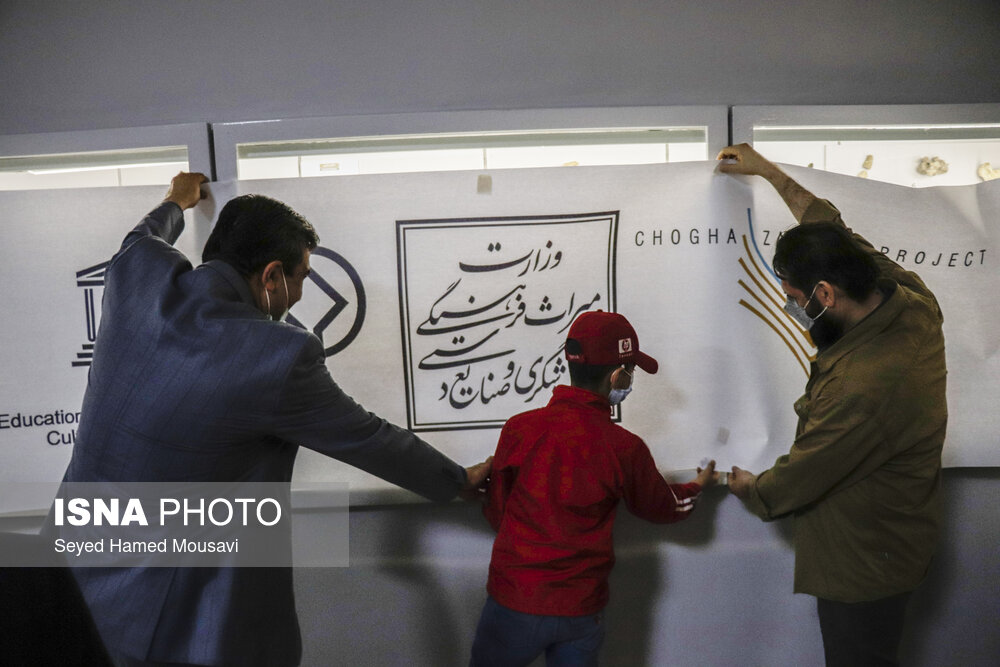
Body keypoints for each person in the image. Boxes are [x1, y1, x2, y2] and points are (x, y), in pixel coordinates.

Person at [56, 172, 492, 667]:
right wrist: (457, 479)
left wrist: (176, 201)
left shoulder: (137, 272)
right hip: (166, 607)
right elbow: (368, 437)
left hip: (73, 570)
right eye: (302, 276)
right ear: (270, 276)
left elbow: (143, 235)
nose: (301, 293)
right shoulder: (274, 355)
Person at [718, 144, 947, 666]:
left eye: (795, 298)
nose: (791, 307)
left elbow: (802, 475)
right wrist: (768, 173)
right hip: (899, 541)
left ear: (824, 295)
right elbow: (835, 232)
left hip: (863, 567)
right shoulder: (911, 301)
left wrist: (751, 489)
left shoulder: (862, 386)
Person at [469, 310, 717, 667]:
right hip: (579, 610)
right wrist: (698, 485)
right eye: (630, 371)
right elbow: (663, 507)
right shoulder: (624, 447)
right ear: (617, 376)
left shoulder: (519, 429)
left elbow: (497, 512)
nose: (629, 380)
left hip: (513, 601)